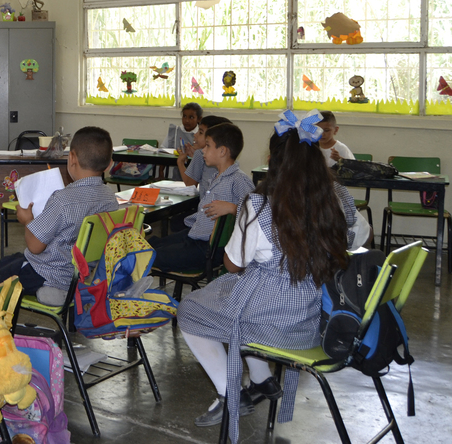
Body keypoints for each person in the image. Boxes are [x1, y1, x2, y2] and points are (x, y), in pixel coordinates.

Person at [177, 110, 350, 440]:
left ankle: (230, 392)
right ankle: (262, 379)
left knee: (192, 309)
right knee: (236, 304)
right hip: (314, 323)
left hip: (274, 325)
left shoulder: (258, 205)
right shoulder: (333, 201)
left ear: (274, 162)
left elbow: (233, 264)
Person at [0, 126, 117, 306]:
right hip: (84, 274)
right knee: (9, 261)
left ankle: (55, 292)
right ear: (109, 164)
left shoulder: (62, 200)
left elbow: (35, 246)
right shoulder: (110, 198)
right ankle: (68, 291)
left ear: (72, 158)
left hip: (47, 274)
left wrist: (27, 220)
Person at [149, 123, 254, 272]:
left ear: (222, 151)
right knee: (151, 245)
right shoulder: (217, 177)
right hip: (195, 236)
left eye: (208, 146)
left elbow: (257, 213)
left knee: (150, 255)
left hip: (208, 249)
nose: (203, 150)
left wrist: (232, 208)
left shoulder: (238, 180)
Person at [175, 114, 232, 188]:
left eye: (201, 132)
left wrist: (180, 162)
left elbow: (190, 184)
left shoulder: (199, 154)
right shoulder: (230, 156)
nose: (195, 135)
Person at [163, 102, 202, 180]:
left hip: (197, 176)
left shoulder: (202, 134)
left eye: (191, 117)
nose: (187, 120)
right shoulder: (175, 131)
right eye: (184, 116)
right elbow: (162, 151)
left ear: (199, 119)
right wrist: (161, 172)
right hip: (177, 175)